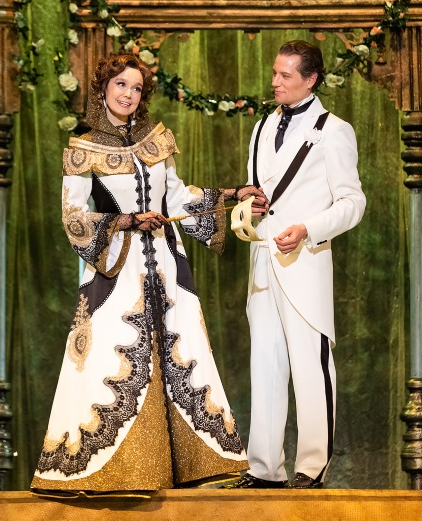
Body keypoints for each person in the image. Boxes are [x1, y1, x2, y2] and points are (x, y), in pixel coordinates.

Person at [31, 52, 264, 494]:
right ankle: (108, 471)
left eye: (136, 88)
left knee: (183, 354)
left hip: (167, 268)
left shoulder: (157, 140)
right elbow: (73, 216)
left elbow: (177, 198)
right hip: (117, 271)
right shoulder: (83, 149)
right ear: (103, 88)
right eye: (121, 84)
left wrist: (233, 193)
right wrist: (126, 220)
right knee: (110, 359)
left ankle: (186, 469)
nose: (128, 94)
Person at [228, 40, 366, 489]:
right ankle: (264, 468)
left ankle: (311, 468)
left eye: (285, 75)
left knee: (311, 367)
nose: (275, 82)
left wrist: (309, 228)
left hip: (304, 262)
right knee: (265, 365)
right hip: (262, 262)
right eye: (275, 72)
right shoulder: (263, 126)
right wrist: (249, 206)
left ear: (311, 80)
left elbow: (353, 202)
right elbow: (260, 190)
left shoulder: (334, 131)